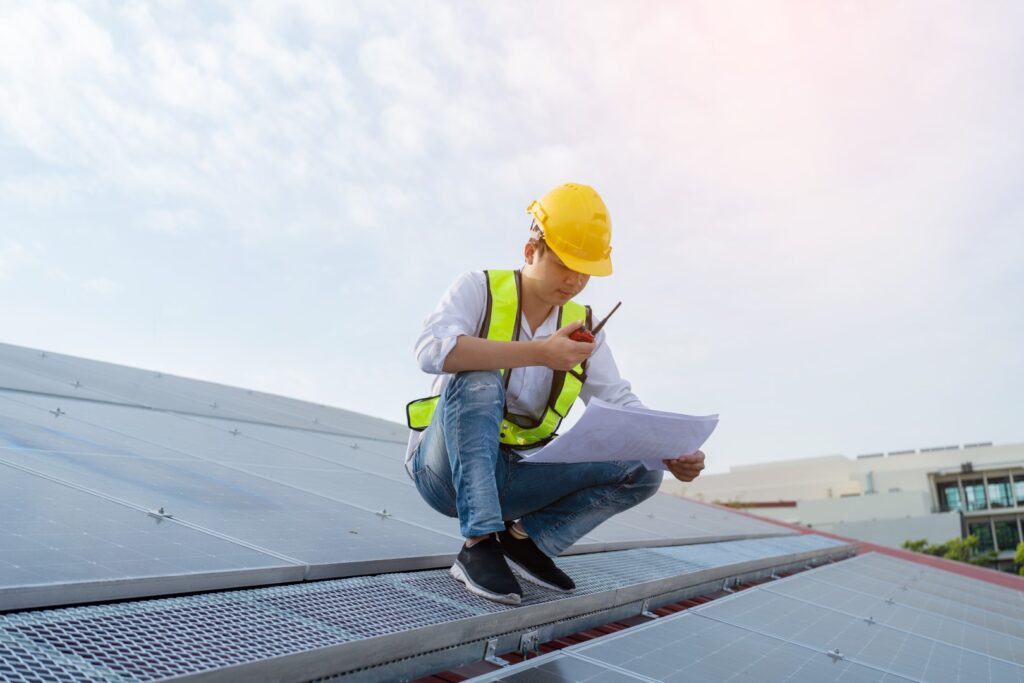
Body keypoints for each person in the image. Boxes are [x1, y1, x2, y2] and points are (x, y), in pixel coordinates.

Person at [406, 182, 706, 605]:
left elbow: (619, 400)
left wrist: (671, 449)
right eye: (567, 264)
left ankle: (524, 541)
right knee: (479, 378)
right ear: (531, 251)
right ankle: (478, 544)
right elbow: (431, 350)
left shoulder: (586, 326)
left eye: (586, 270)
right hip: (445, 474)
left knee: (641, 468)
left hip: (516, 474)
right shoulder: (477, 289)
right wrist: (540, 353)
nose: (576, 280)